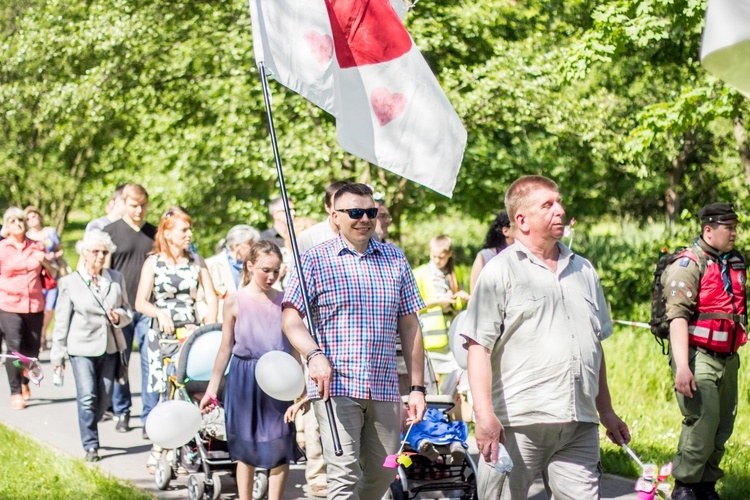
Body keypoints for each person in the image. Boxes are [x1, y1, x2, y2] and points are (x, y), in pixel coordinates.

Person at [462, 175, 630, 499]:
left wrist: (606, 410)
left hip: (579, 424)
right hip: (517, 423)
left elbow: (593, 346)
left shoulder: (584, 270)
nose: (561, 210)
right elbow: (478, 348)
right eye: (548, 205)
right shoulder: (498, 271)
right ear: (521, 220)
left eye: (559, 201)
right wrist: (484, 416)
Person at [282, 182, 427, 499]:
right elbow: (290, 319)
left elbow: (411, 325)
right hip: (336, 386)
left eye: (371, 212)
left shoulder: (395, 259)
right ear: (335, 216)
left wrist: (417, 388)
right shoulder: (313, 260)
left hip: (385, 386)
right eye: (355, 212)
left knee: (386, 468)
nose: (365, 218)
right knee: (343, 475)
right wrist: (313, 355)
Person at [200, 240, 303, 500]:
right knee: (245, 448)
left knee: (280, 446)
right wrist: (211, 390)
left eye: (276, 271)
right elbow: (225, 348)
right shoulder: (234, 302)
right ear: (249, 266)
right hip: (244, 379)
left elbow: (294, 346)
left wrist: (300, 388)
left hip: (278, 378)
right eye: (265, 270)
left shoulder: (285, 302)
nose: (271, 276)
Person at [662, 203, 746, 500]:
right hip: (698, 355)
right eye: (728, 228)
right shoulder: (688, 264)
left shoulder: (733, 262)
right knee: (702, 420)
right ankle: (685, 485)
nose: (734, 233)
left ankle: (706, 484)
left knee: (723, 424)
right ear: (708, 230)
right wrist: (682, 367)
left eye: (735, 227)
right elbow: (678, 319)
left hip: (728, 358)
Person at [135, 207, 218, 472]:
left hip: (190, 334)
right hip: (163, 336)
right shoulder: (153, 262)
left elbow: (212, 296)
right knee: (166, 392)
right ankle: (160, 448)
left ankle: (179, 450)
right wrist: (158, 312)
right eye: (184, 230)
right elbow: (139, 302)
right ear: (167, 233)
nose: (189, 234)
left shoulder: (196, 260)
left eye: (189, 229)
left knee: (186, 391)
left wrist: (209, 328)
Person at [50, 230, 132, 462]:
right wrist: (57, 358)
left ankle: (88, 423)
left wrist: (119, 318)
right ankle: (91, 445)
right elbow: (61, 323)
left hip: (110, 347)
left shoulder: (116, 278)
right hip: (81, 348)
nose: (100, 256)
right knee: (87, 396)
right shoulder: (69, 283)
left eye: (104, 252)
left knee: (104, 399)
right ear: (84, 254)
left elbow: (128, 312)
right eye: (95, 251)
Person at [103, 183, 157, 435]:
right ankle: (122, 410)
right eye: (134, 205)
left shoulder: (154, 233)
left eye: (143, 205)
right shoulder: (111, 232)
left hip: (147, 307)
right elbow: (104, 271)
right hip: (120, 307)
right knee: (121, 361)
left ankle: (149, 416)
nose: (139, 210)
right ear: (124, 203)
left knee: (150, 361)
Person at [0, 207, 55, 410]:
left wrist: (45, 262)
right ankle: (15, 391)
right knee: (14, 348)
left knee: (32, 351)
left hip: (34, 304)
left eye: (20, 219)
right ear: (6, 224)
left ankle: (24, 381)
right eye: (12, 220)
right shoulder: (2, 248)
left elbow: (54, 271)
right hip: (8, 305)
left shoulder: (37, 246)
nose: (17, 223)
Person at [413, 235, 470, 385]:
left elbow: (458, 305)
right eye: (434, 257)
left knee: (456, 380)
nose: (437, 260)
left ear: (449, 254)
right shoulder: (419, 273)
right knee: (434, 381)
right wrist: (438, 302)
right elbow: (412, 306)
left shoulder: (456, 272)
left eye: (441, 257)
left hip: (453, 333)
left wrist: (461, 298)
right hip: (431, 338)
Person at [24, 206, 66, 345]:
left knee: (49, 307)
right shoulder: (26, 236)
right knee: (39, 307)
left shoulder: (50, 232)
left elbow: (60, 251)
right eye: (28, 218)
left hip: (51, 274)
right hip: (35, 276)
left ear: (40, 217)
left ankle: (42, 333)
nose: (32, 220)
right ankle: (38, 336)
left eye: (34, 216)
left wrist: (53, 256)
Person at [205, 225, 261, 321]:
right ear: (236, 246)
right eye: (251, 246)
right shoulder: (210, 265)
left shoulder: (256, 266)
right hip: (221, 324)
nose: (255, 250)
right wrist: (208, 320)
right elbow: (201, 299)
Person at [296, 181, 349, 254]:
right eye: (338, 206)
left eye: (350, 207)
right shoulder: (308, 238)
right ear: (327, 207)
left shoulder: (365, 233)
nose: (344, 211)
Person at [469, 210, 514, 292]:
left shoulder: (524, 255)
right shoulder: (485, 256)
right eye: (516, 226)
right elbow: (474, 292)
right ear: (505, 231)